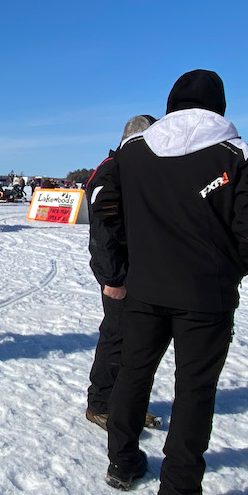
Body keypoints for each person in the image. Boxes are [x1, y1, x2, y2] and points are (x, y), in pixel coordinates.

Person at [95, 70, 248, 495]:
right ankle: (179, 492)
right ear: (219, 106)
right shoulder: (239, 154)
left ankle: (122, 462)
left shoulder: (134, 151)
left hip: (144, 289)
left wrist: (134, 257)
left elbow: (101, 199)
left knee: (134, 373)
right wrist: (230, 267)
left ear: (172, 103)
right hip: (205, 297)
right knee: (194, 390)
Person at [83, 115, 160, 431]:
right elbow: (103, 232)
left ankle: (130, 402)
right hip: (120, 273)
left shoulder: (139, 170)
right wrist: (113, 278)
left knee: (142, 341)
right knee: (118, 336)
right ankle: (100, 404)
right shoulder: (112, 172)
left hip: (143, 270)